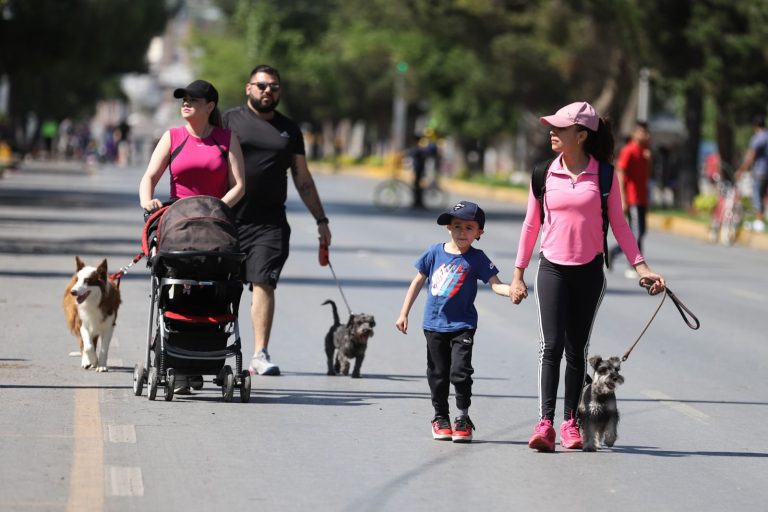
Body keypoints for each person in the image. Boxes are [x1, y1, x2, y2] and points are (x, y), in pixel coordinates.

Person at [510, 101, 666, 452]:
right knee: (550, 347)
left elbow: (622, 226)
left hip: (589, 272)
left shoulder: (605, 176)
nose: (552, 132)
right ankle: (545, 423)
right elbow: (530, 225)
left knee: (576, 350)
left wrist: (641, 267)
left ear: (580, 135)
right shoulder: (543, 173)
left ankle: (570, 423)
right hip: (551, 268)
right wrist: (518, 274)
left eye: (560, 128)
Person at [223, 65, 331, 376]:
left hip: (269, 222)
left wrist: (321, 220)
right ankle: (212, 348)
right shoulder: (228, 120)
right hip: (227, 218)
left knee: (263, 282)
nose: (268, 91)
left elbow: (303, 178)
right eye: (261, 86)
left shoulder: (289, 130)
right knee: (221, 286)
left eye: (274, 87)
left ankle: (260, 353)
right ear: (248, 88)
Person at [396, 201, 510, 442]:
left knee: (460, 372)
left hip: (463, 325)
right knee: (438, 373)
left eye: (469, 228)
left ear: (479, 233)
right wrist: (404, 313)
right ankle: (440, 417)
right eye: (457, 226)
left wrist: (512, 291)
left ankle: (462, 417)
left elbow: (496, 284)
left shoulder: (477, 258)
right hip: (434, 324)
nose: (462, 232)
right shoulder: (434, 252)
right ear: (448, 227)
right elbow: (417, 282)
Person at [139, 79, 245, 211]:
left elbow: (238, 186)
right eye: (184, 99)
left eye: (193, 100)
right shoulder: (171, 136)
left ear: (210, 106)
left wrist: (217, 208)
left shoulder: (227, 138)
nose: (186, 103)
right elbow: (149, 177)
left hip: (215, 218)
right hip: (178, 218)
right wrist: (146, 201)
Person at [607, 121, 652, 277]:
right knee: (636, 233)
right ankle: (633, 265)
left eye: (646, 133)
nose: (645, 135)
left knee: (642, 231)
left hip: (642, 199)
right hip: (632, 198)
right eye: (642, 132)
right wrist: (623, 199)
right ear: (634, 134)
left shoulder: (645, 151)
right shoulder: (629, 151)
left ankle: (613, 252)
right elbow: (620, 173)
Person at [735, 115, 768, 233]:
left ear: (754, 126)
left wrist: (741, 170)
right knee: (764, 196)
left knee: (757, 196)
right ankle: (761, 220)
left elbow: (750, 156)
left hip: (760, 171)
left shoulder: (758, 138)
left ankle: (759, 222)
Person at [408, 134, 427, 209]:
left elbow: (411, 154)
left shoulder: (417, 149)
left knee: (417, 187)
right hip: (418, 170)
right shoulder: (419, 148)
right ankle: (417, 202)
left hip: (418, 170)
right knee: (417, 186)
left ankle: (418, 202)